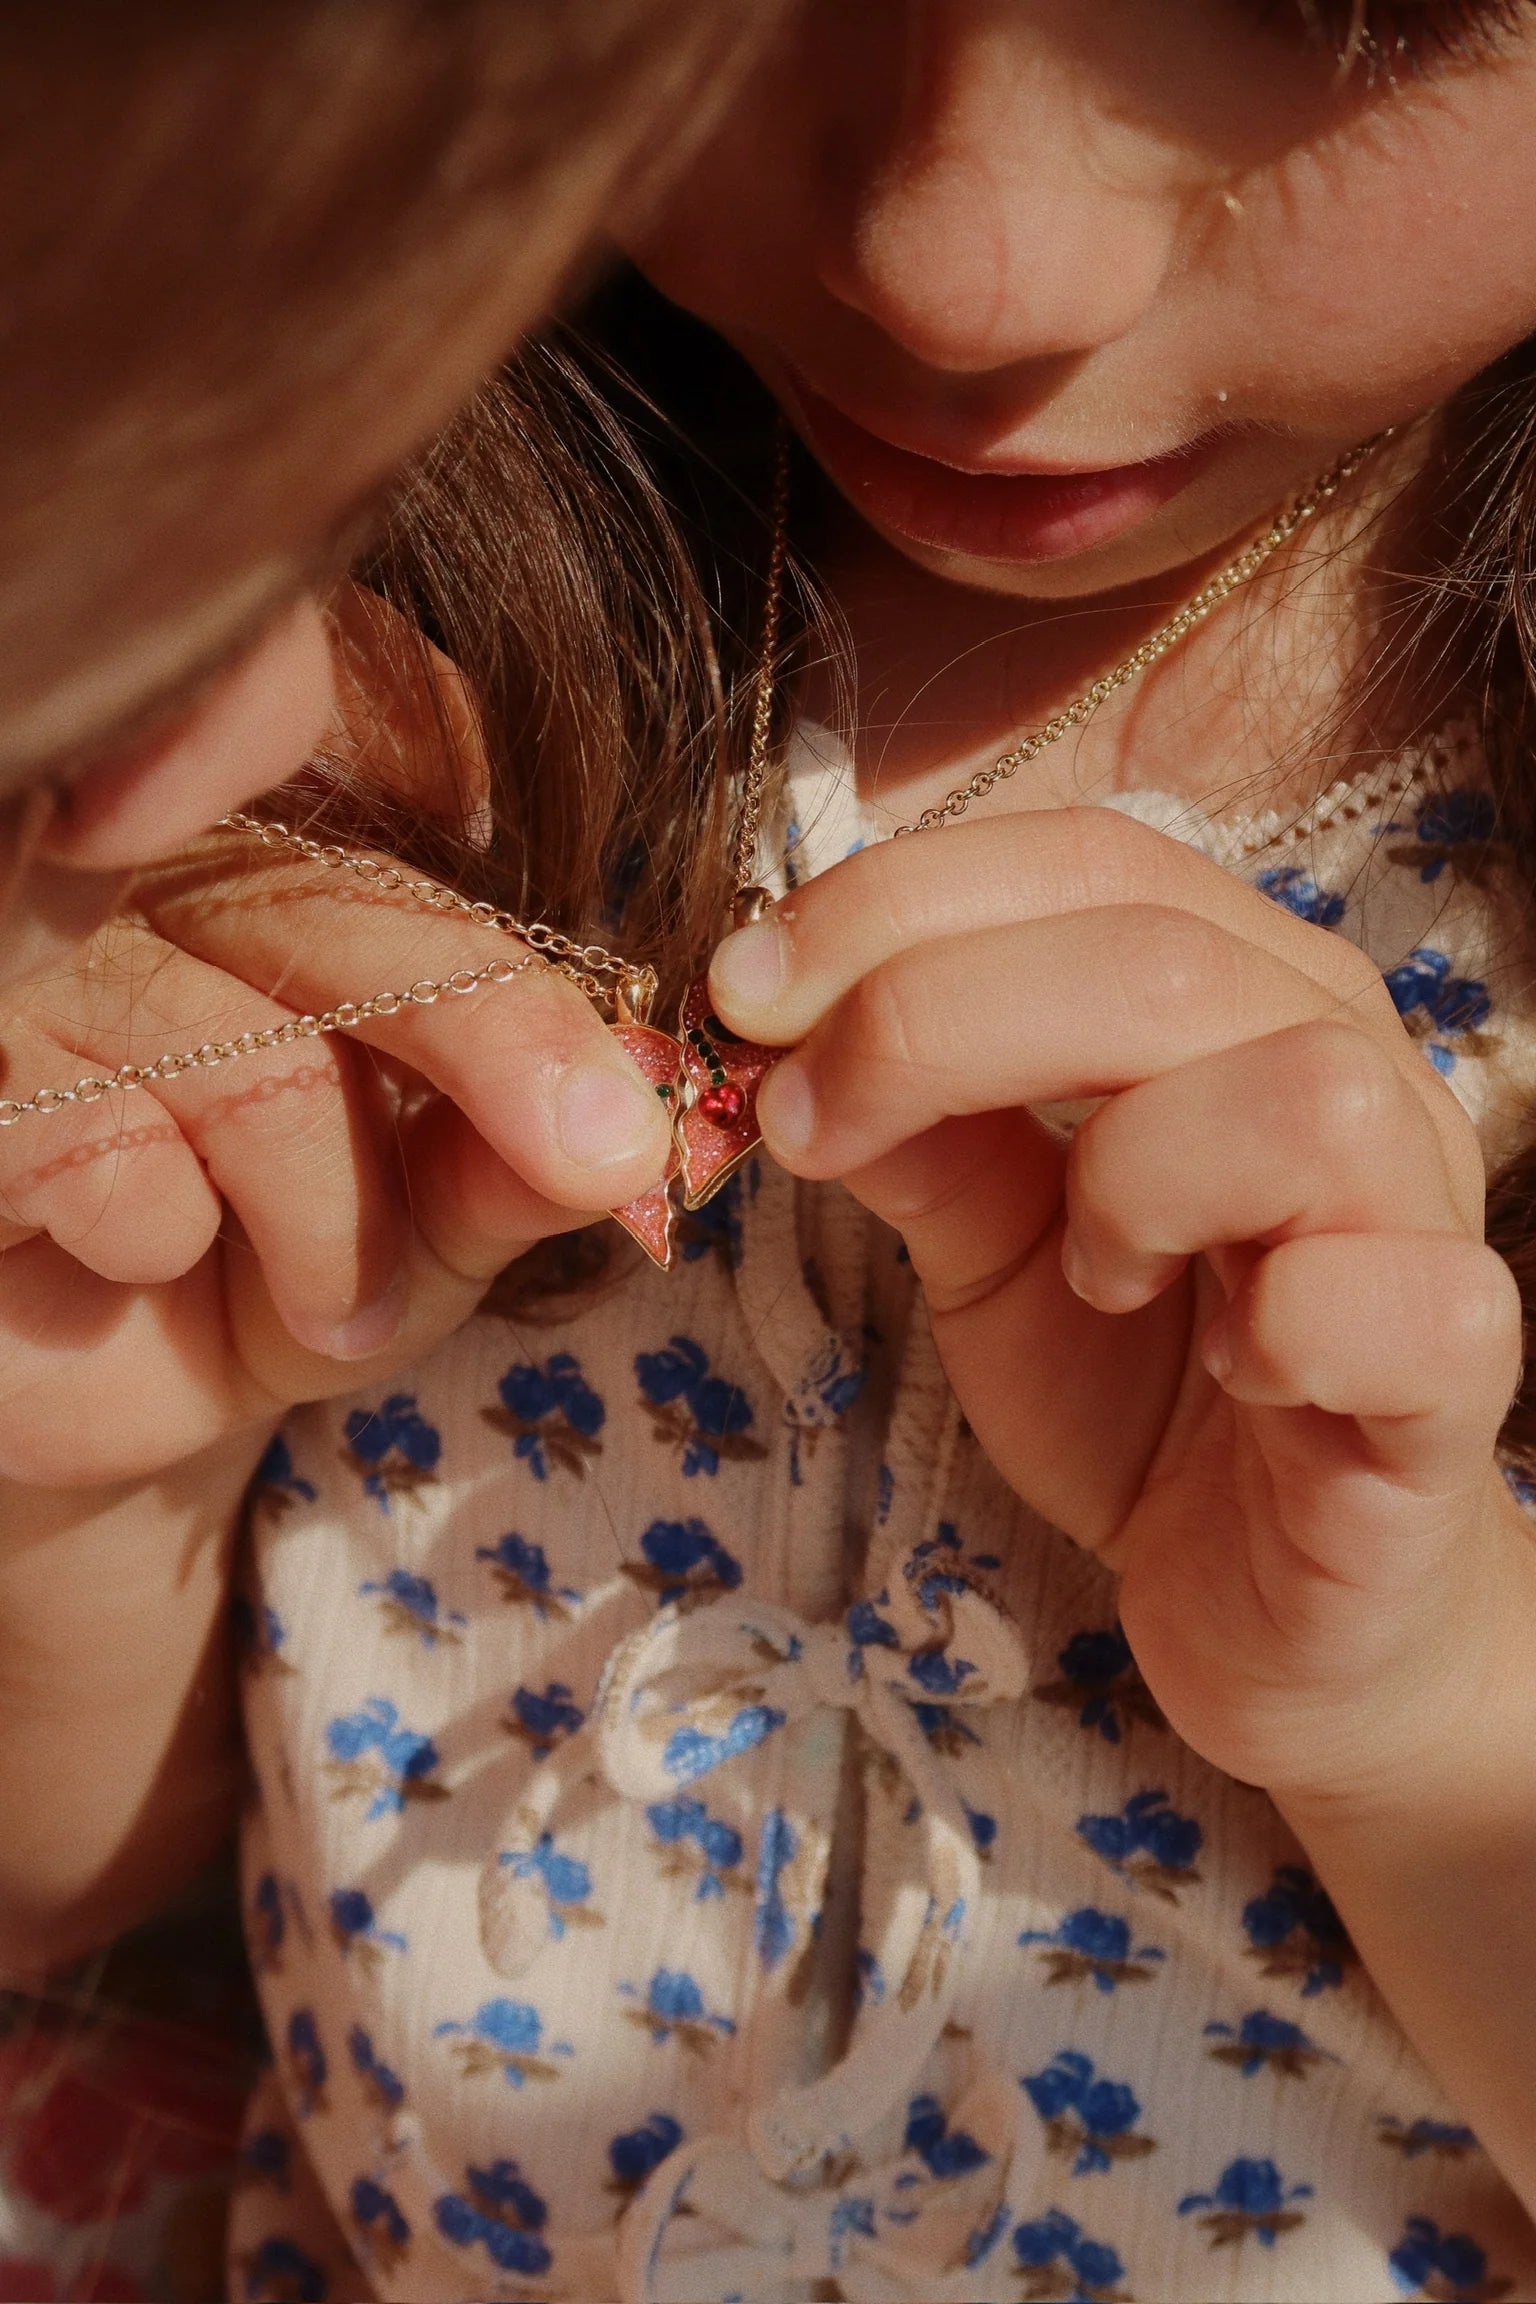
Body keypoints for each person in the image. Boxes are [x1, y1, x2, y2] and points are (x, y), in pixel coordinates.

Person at [9, 1, 1536, 2297]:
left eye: (1326, 8)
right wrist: (89, 1509)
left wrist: (1427, 1706)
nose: (963, 261)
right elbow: (87, 1900)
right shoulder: (264, 616)